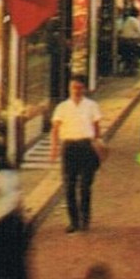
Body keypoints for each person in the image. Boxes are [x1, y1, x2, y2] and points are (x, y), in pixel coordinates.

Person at [52, 78, 105, 234]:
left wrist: (98, 145)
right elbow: (55, 128)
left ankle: (85, 219)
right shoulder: (62, 107)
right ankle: (73, 221)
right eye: (74, 87)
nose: (76, 90)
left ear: (84, 89)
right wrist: (54, 148)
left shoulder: (91, 106)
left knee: (85, 186)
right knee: (69, 185)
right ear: (69, 88)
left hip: (86, 146)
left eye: (80, 87)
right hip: (69, 147)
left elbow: (96, 127)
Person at [116, 5, 140, 73]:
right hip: (132, 43)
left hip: (122, 43)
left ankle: (131, 67)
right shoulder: (134, 20)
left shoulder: (123, 20)